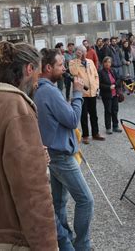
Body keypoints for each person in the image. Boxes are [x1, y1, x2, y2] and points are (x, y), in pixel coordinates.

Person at [0, 41, 57, 250]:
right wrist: (48, 246)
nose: (37, 82)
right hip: (12, 239)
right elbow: (32, 191)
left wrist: (33, 157)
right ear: (29, 69)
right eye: (38, 73)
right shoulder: (17, 107)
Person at [34, 49, 94, 250]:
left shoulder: (39, 89)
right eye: (60, 65)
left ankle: (63, 241)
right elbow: (72, 120)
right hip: (60, 156)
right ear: (49, 67)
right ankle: (82, 246)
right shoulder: (49, 90)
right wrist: (77, 93)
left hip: (52, 152)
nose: (64, 68)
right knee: (86, 200)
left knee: (59, 202)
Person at [69, 45, 105, 143]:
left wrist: (96, 87)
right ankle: (85, 135)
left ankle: (95, 133)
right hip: (82, 93)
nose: (84, 54)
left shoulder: (90, 62)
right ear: (77, 53)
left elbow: (96, 75)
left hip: (92, 91)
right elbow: (74, 72)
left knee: (94, 114)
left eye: (85, 52)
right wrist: (77, 59)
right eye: (81, 52)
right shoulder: (73, 62)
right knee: (83, 115)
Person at [98, 57, 123, 134]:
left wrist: (115, 85)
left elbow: (119, 79)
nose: (107, 64)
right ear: (103, 63)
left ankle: (115, 126)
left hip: (115, 94)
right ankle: (108, 127)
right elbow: (99, 84)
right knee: (108, 111)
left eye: (109, 62)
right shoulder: (101, 72)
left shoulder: (113, 70)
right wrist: (108, 87)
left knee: (115, 110)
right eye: (106, 62)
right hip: (106, 94)